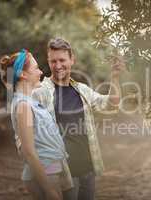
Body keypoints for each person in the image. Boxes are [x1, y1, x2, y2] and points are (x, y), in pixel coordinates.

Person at [32, 38, 124, 200]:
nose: (58, 65)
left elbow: (111, 103)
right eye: (53, 61)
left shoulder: (82, 90)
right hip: (63, 174)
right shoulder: (41, 92)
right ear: (48, 61)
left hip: (88, 170)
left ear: (72, 60)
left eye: (62, 60)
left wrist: (115, 77)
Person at [0, 49, 73, 200]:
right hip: (45, 173)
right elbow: (29, 152)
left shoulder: (30, 102)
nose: (40, 72)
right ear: (23, 74)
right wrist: (49, 189)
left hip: (51, 168)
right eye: (36, 68)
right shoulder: (23, 106)